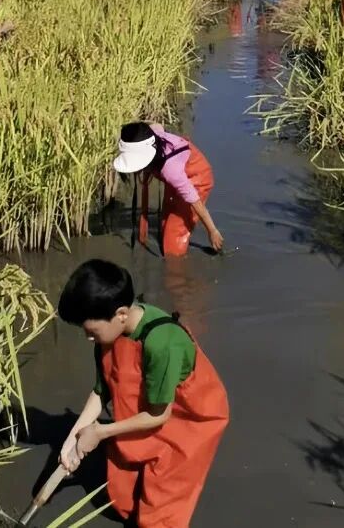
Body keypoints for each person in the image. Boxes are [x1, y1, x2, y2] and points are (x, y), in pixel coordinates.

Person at [57, 259, 229, 528]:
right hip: (150, 408)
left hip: (187, 421)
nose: (87, 338)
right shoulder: (109, 335)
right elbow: (103, 389)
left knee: (160, 512)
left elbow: (158, 415)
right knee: (123, 495)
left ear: (121, 314)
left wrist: (100, 432)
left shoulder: (163, 343)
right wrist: (73, 437)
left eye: (91, 331)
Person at [112, 121, 221, 256]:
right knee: (165, 223)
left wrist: (212, 231)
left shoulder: (171, 170)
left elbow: (195, 201)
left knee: (173, 242)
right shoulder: (152, 135)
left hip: (197, 178)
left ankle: (176, 269)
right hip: (178, 177)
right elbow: (156, 125)